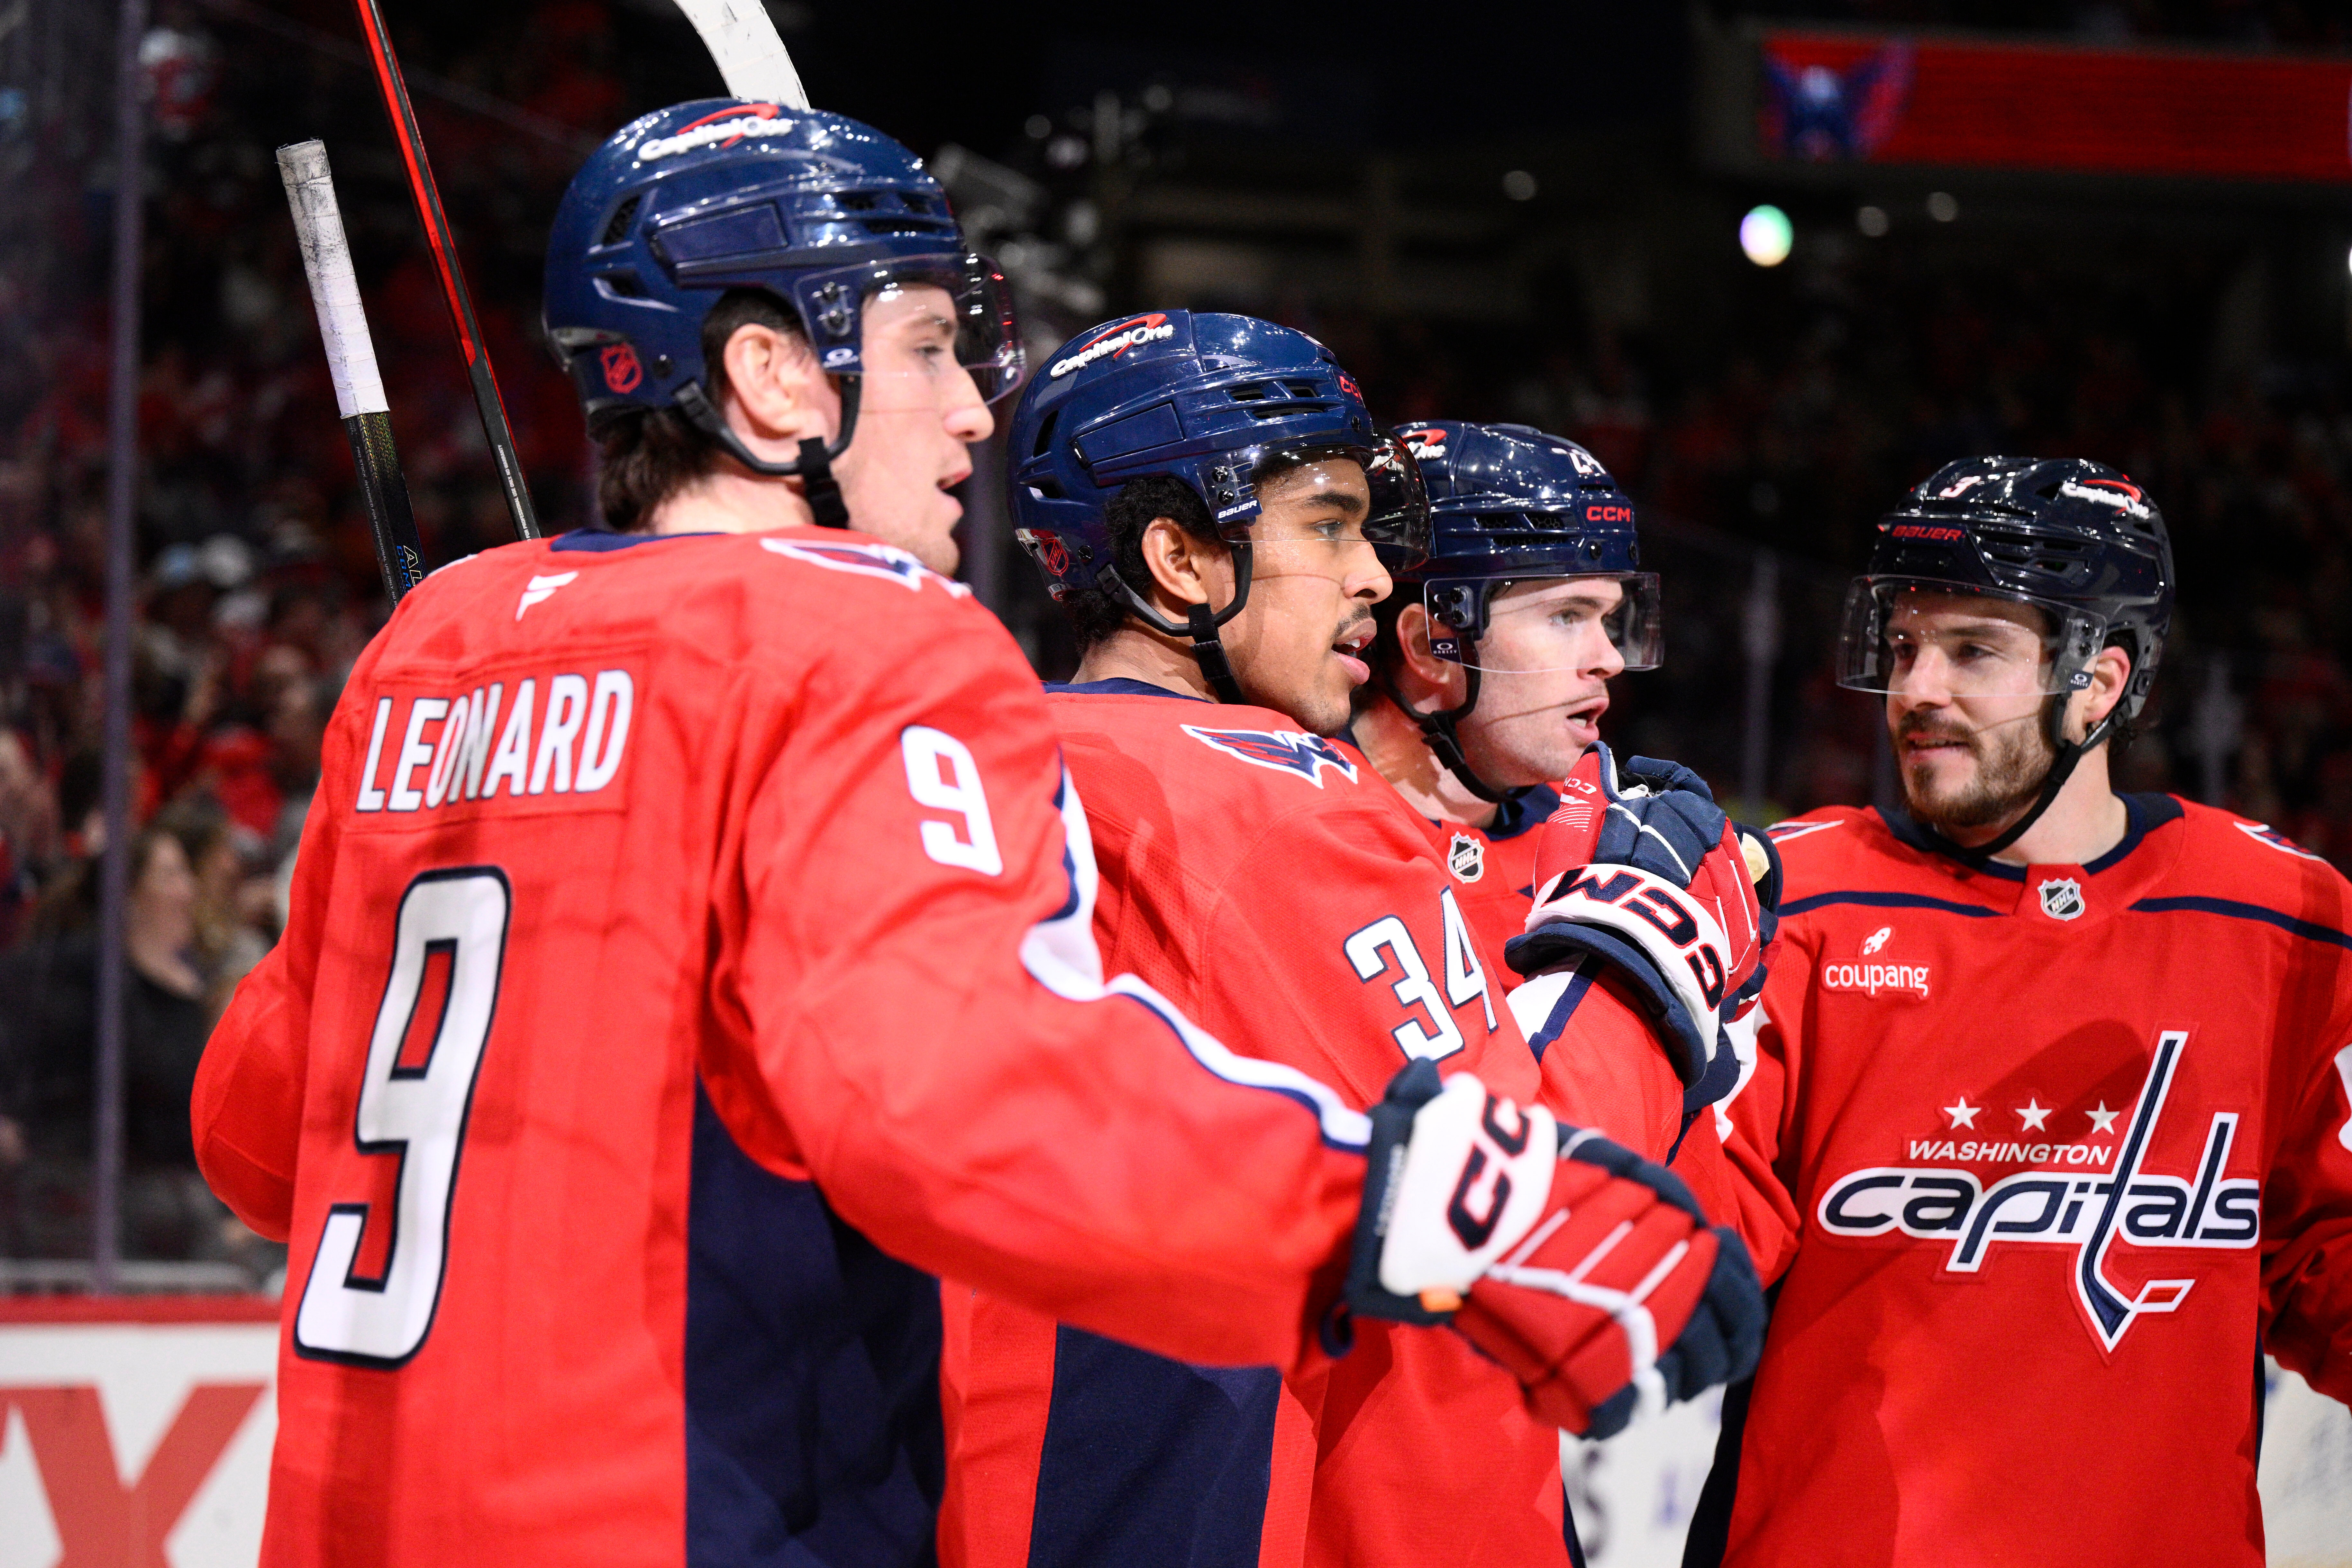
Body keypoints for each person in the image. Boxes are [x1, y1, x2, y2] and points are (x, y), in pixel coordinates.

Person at [191, 100, 1762, 1566]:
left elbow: (259, 1132)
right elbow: (955, 1097)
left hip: (360, 1509)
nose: (971, 409)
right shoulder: (858, 633)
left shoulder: (445, 637)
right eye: (932, 346)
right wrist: (1441, 1200)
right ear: (771, 381)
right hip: (691, 1509)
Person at [947, 323, 1764, 1568]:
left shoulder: (976, 745)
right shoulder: (1257, 795)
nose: (1372, 578)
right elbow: (1517, 1176)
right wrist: (1646, 943)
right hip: (1153, 1486)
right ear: (1176, 556)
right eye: (1327, 527)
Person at [1689, 457, 2352, 1567]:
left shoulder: (2283, 917)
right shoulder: (1783, 897)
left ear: (2097, 683)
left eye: (1973, 651)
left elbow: (2323, 1260)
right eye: (1903, 647)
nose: (1917, 689)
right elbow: (1680, 1241)